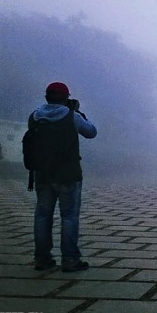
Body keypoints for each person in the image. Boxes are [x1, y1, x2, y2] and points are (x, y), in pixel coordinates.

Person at [29, 82, 97, 272]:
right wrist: (77, 112)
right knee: (69, 217)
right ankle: (70, 260)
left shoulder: (35, 116)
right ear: (66, 98)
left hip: (42, 173)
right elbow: (91, 132)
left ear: (46, 98)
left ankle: (42, 259)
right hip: (68, 174)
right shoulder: (72, 116)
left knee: (42, 216)